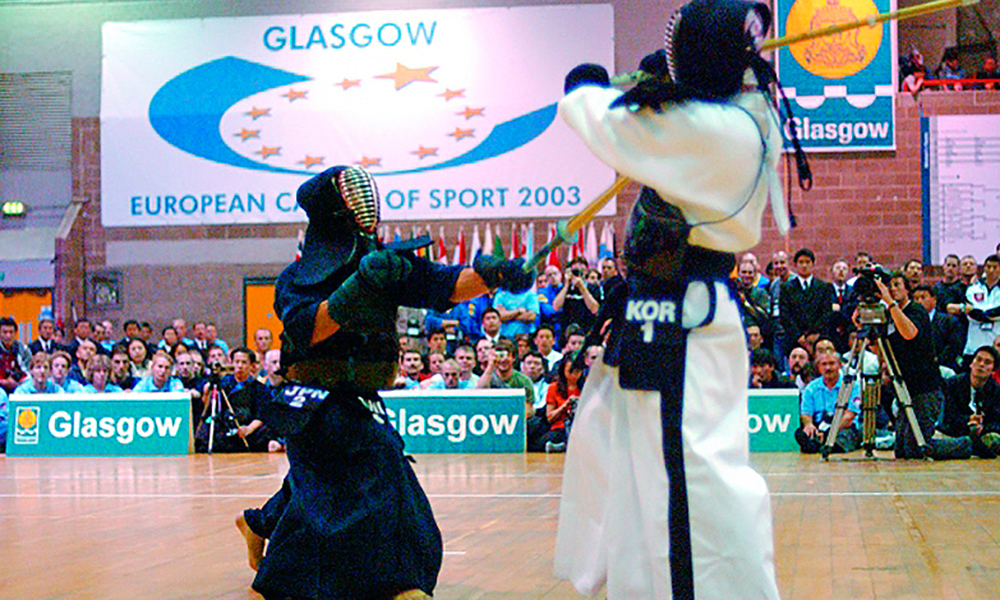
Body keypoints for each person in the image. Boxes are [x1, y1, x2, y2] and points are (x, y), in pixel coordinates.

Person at [552, 0, 802, 595]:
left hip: (683, 322)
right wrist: (672, 79)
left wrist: (589, 84)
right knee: (638, 470)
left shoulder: (714, 132)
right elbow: (688, 99)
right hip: (671, 314)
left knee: (682, 478)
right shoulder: (747, 113)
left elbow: (596, 116)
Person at [235, 165, 532, 599]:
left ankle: (258, 522)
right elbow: (307, 328)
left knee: (323, 486)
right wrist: (360, 285)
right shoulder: (295, 279)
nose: (365, 208)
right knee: (374, 478)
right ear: (334, 212)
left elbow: (446, 285)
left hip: (361, 395)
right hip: (312, 399)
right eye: (353, 199)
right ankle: (385, 583)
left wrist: (496, 276)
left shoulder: (385, 266)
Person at [937, 346, 1000, 458]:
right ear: (971, 363)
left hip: (983, 435)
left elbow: (997, 421)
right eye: (978, 359)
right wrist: (968, 420)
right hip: (954, 434)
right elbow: (947, 419)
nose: (981, 365)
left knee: (994, 439)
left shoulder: (996, 391)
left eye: (987, 362)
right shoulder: (952, 385)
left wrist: (982, 426)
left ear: (993, 370)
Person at [794, 351, 861, 453]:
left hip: (842, 427)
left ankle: (823, 445)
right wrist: (809, 425)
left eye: (831, 364)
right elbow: (806, 414)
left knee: (843, 439)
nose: (828, 368)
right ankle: (817, 444)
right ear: (819, 367)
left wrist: (831, 431)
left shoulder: (852, 386)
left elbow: (849, 416)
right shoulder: (811, 388)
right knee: (801, 432)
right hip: (819, 426)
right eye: (824, 364)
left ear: (839, 365)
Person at [959, 255, 1000, 369]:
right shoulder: (973, 289)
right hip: (973, 345)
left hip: (996, 345)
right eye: (988, 267)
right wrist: (987, 315)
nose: (991, 270)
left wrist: (980, 313)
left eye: (995, 267)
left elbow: (997, 313)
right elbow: (970, 314)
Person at [541, 356, 586, 453]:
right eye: (570, 371)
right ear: (563, 371)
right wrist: (565, 405)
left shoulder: (586, 387)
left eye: (577, 371)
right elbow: (549, 417)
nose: (574, 375)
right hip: (560, 429)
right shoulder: (553, 388)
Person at [0, 317, 30, 393]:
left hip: (20, 386)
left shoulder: (23, 349)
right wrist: (5, 382)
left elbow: (29, 370)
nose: (8, 336)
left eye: (11, 332)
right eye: (5, 332)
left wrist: (20, 382)